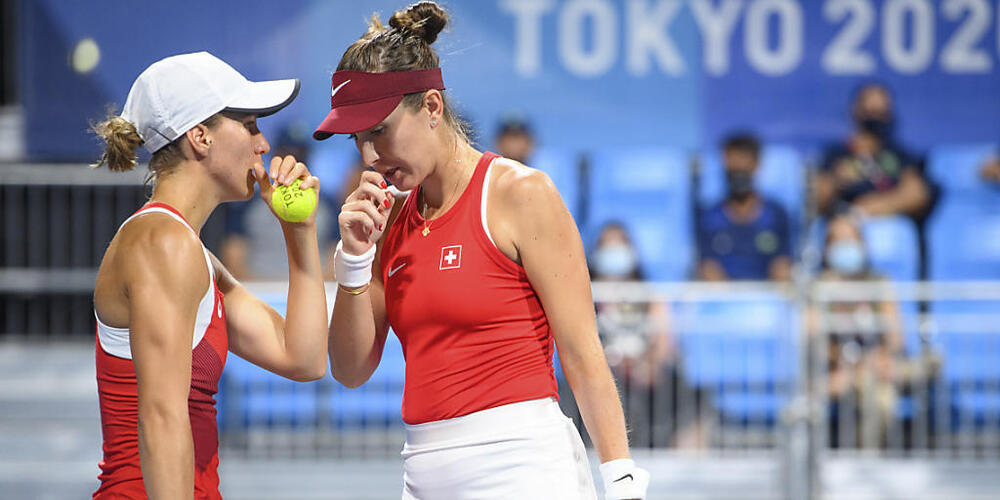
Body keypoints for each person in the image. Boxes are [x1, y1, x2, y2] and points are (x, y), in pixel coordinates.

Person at [315, 3, 649, 499]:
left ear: (431, 107)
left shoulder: (521, 194)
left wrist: (620, 476)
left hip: (526, 470)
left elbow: (582, 351)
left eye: (379, 130)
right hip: (422, 475)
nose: (368, 155)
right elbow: (350, 369)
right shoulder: (387, 224)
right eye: (357, 138)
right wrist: (355, 260)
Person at [91, 52, 329, 499]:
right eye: (250, 125)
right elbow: (161, 418)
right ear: (199, 137)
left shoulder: (189, 251)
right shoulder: (162, 242)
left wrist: (299, 234)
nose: (264, 145)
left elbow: (305, 358)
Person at [810, 214, 903, 448]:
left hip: (873, 367)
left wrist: (881, 357)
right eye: (838, 241)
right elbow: (813, 342)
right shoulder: (817, 288)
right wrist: (846, 365)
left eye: (850, 240)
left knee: (882, 397)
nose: (845, 247)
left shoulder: (879, 283)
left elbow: (895, 337)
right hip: (836, 371)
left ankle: (868, 463)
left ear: (862, 245)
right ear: (827, 249)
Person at [814, 82, 932, 219]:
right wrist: (835, 181)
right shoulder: (836, 153)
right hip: (844, 223)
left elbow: (916, 194)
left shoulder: (898, 154)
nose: (875, 117)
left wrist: (869, 208)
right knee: (842, 229)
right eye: (870, 111)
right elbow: (816, 201)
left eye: (880, 112)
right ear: (855, 111)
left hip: (889, 222)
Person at [697, 134, 792, 281]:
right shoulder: (709, 217)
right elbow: (708, 267)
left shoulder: (776, 215)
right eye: (732, 165)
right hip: (723, 299)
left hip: (768, 299)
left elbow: (782, 265)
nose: (738, 171)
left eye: (743, 163)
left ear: (756, 165)